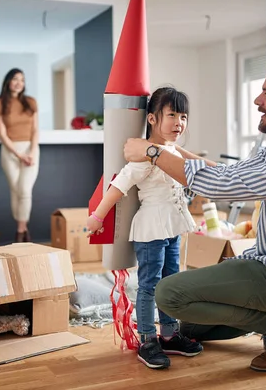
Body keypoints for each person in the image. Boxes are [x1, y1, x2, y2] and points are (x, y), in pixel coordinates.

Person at [122, 53, 266, 372]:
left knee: (168, 295)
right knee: (186, 327)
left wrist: (151, 153)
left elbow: (221, 186)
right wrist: (168, 150)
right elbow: (229, 172)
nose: (258, 100)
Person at [86, 87, 205, 370]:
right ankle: (147, 339)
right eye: (172, 114)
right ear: (152, 119)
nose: (179, 122)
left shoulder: (172, 151)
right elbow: (118, 186)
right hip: (152, 229)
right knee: (150, 285)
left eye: (184, 116)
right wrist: (97, 216)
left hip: (172, 226)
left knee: (170, 281)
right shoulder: (146, 156)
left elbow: (196, 166)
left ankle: (168, 333)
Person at [0, 68, 39, 243]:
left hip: (31, 150)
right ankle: (24, 230)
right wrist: (19, 155)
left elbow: (35, 130)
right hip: (11, 151)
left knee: (25, 190)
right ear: (8, 82)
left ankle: (20, 232)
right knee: (16, 191)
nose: (19, 83)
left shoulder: (31, 102)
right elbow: (2, 134)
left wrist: (32, 152)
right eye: (15, 79)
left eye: (22, 79)